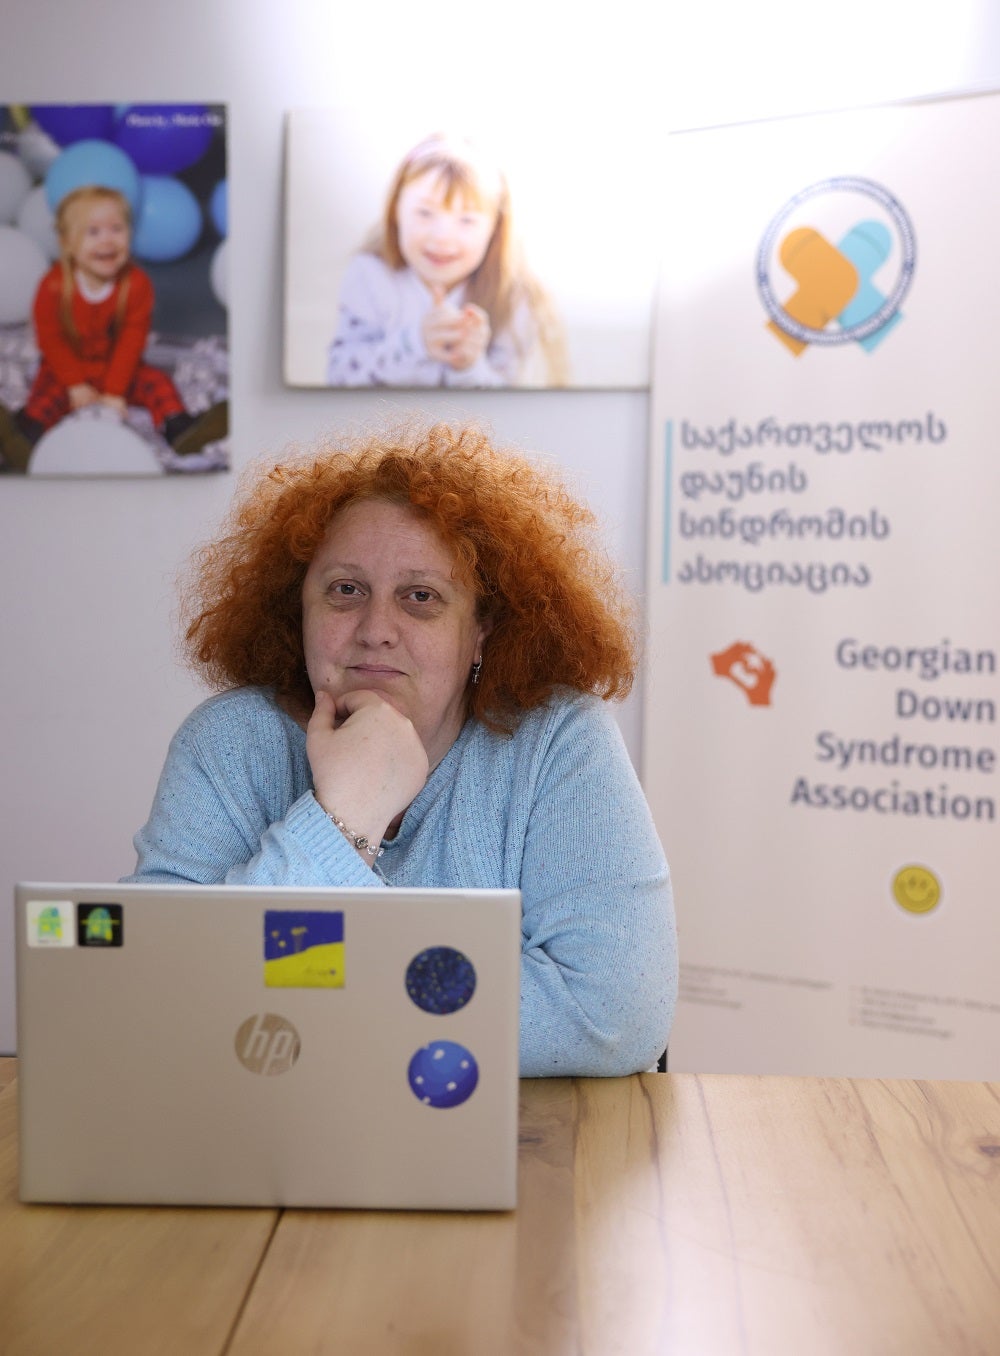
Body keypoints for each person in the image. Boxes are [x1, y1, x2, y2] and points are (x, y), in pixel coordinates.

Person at [124, 422, 676, 1076]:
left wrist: (294, 981)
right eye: (345, 591)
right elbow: (157, 991)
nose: (376, 630)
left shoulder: (559, 739)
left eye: (421, 598)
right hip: (272, 1139)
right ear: (296, 610)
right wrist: (343, 822)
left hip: (511, 1145)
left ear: (481, 631)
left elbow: (611, 1014)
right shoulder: (227, 744)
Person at [0, 184, 227, 473]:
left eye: (117, 229)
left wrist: (115, 391)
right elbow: (51, 339)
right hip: (70, 368)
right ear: (68, 243)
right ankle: (23, 435)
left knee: (156, 383)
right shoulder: (54, 286)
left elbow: (132, 341)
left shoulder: (135, 284)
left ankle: (180, 429)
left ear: (130, 234)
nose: (107, 241)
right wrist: (75, 385)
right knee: (46, 394)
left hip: (117, 366)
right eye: (93, 232)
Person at [325, 133, 567, 389]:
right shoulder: (370, 277)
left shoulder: (513, 296)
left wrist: (470, 366)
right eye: (425, 213)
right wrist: (414, 343)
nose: (442, 237)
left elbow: (517, 404)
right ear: (396, 212)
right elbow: (339, 378)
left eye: (467, 220)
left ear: (495, 228)